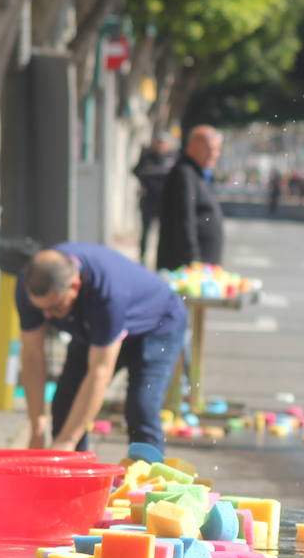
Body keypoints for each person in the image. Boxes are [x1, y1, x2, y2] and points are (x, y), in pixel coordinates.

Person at [16, 245, 187, 453]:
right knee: (65, 406)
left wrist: (67, 441)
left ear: (75, 286)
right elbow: (32, 358)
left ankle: (148, 478)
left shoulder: (107, 293)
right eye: (40, 309)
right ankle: (75, 478)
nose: (48, 316)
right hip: (92, 329)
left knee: (141, 408)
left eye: (55, 307)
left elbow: (100, 372)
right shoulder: (30, 286)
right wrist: (37, 428)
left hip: (156, 327)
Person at [157, 125, 225, 272]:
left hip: (202, 268)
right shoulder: (185, 174)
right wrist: (193, 261)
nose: (214, 154)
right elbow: (185, 220)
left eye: (217, 149)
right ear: (191, 147)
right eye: (209, 148)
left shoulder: (197, 173)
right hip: (189, 269)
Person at [132, 132, 174, 264]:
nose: (161, 146)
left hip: (165, 202)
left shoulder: (171, 158)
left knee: (165, 233)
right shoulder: (147, 157)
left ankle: (162, 259)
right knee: (146, 231)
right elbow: (136, 171)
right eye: (158, 143)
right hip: (148, 199)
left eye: (163, 143)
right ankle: (142, 258)